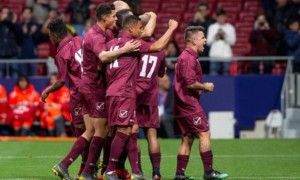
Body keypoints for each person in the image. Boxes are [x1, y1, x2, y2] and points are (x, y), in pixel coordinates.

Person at [104, 15, 178, 180]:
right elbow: (158, 47)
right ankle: (111, 169)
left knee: (121, 130)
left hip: (112, 91)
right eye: (139, 28)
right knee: (128, 131)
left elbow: (100, 62)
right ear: (131, 29)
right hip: (128, 93)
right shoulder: (134, 44)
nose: (141, 31)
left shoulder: (110, 44)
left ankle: (121, 170)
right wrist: (172, 28)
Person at [77, 3, 140, 179]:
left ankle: (95, 170)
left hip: (97, 86)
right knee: (100, 130)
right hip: (94, 87)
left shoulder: (106, 34)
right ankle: (90, 170)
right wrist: (125, 49)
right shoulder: (96, 36)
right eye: (113, 16)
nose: (115, 18)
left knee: (102, 130)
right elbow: (103, 57)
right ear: (105, 18)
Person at [173, 26, 228, 180]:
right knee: (204, 133)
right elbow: (190, 83)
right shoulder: (189, 58)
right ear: (194, 40)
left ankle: (179, 174)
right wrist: (205, 87)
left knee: (188, 137)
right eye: (203, 37)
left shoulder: (186, 56)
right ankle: (209, 172)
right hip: (188, 102)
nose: (205, 40)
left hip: (181, 102)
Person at [41, 18, 85, 180]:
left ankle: (72, 167)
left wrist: (47, 91)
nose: (50, 40)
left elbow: (60, 81)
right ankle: (87, 170)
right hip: (94, 90)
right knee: (96, 131)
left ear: (55, 35)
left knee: (84, 133)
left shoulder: (61, 53)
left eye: (50, 36)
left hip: (79, 95)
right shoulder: (81, 40)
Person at [135, 38, 166, 180]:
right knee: (152, 136)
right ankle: (156, 173)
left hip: (134, 95)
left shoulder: (136, 45)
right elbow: (161, 73)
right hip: (151, 97)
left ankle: (138, 171)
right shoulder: (160, 48)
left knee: (132, 136)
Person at [207, 9, 236, 75]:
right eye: (219, 17)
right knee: (213, 78)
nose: (221, 19)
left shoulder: (230, 28)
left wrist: (225, 36)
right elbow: (208, 42)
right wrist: (215, 37)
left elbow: (232, 42)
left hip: (226, 57)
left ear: (225, 17)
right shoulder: (212, 27)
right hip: (214, 56)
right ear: (216, 17)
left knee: (226, 77)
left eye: (222, 17)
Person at [18, 7, 41, 76]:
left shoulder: (35, 25)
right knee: (23, 77)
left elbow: (38, 40)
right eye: (25, 12)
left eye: (29, 13)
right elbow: (18, 41)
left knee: (33, 77)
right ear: (23, 14)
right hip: (22, 56)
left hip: (33, 56)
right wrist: (24, 33)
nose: (27, 14)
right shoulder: (19, 25)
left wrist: (33, 33)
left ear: (31, 14)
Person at [0, 6, 20, 78]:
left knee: (15, 72)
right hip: (1, 54)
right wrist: (2, 21)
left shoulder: (13, 25)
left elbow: (19, 35)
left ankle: (15, 89)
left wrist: (12, 23)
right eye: (3, 13)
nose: (5, 15)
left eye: (7, 13)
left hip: (12, 53)